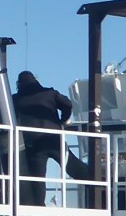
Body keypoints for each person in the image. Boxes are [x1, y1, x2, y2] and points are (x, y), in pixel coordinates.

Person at [11, 70, 89, 206]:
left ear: (19, 84)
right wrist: (63, 120)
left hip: (33, 142)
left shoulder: (15, 99)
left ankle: (38, 207)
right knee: (71, 165)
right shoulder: (49, 93)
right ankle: (97, 184)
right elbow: (68, 104)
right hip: (54, 139)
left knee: (37, 177)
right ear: (35, 79)